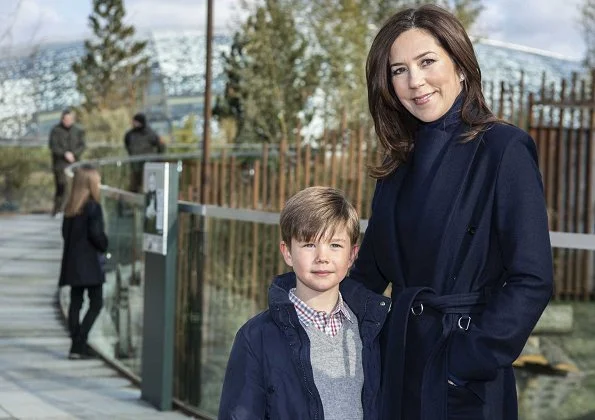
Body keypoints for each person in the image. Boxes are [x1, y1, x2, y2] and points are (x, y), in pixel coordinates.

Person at [350, 5, 554, 420]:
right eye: (399, 70)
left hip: (463, 379)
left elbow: (532, 278)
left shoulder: (503, 149)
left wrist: (465, 362)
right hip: (398, 367)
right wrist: (304, 298)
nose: (415, 81)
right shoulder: (396, 166)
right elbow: (366, 276)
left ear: (460, 66)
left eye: (427, 62)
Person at [218, 186, 391, 419]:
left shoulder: (372, 329)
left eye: (335, 245)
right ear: (287, 252)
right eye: (309, 244)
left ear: (352, 255)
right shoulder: (256, 337)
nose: (322, 257)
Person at [58, 164, 108, 360]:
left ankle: (76, 345)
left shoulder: (70, 209)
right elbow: (97, 235)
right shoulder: (93, 208)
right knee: (96, 303)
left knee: (75, 303)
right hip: (91, 264)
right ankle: (80, 342)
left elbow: (65, 234)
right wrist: (105, 244)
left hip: (72, 263)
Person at [48, 109, 86, 217]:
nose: (67, 121)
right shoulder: (55, 130)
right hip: (60, 163)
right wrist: (65, 154)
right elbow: (53, 146)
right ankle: (58, 209)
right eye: (66, 119)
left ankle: (74, 209)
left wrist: (74, 154)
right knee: (62, 185)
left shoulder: (78, 130)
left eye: (70, 119)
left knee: (76, 186)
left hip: (75, 162)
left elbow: (82, 145)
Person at [124, 112, 165, 193]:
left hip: (149, 165)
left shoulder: (150, 134)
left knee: (148, 187)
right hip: (135, 166)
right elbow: (127, 146)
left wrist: (157, 159)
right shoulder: (130, 134)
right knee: (134, 187)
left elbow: (161, 145)